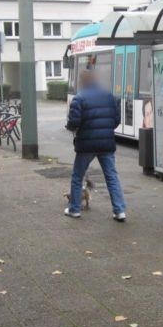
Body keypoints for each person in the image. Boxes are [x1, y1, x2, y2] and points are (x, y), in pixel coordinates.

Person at [65, 69, 127, 221]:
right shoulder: (108, 96)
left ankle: (74, 209)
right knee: (111, 176)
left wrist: (71, 127)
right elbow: (116, 120)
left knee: (77, 176)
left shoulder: (79, 99)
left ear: (82, 81)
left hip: (86, 145)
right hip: (106, 144)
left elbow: (74, 122)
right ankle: (119, 211)